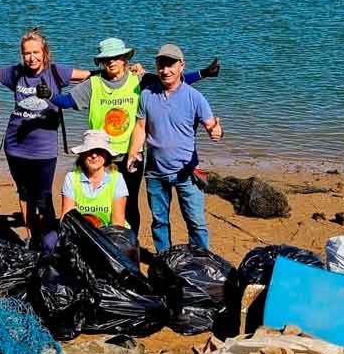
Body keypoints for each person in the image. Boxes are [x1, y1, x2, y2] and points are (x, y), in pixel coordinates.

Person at [46, 38, 215, 234]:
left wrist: (204, 73)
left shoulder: (139, 80)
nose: (111, 62)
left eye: (116, 57)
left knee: (130, 203)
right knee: (102, 202)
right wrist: (49, 96)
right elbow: (67, 101)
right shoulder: (93, 84)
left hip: (130, 155)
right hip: (101, 155)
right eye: (106, 59)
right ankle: (102, 239)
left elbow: (173, 81)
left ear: (125, 58)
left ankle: (129, 242)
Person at [0, 28, 94, 245]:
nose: (31, 58)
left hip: (44, 149)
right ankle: (32, 239)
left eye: (36, 52)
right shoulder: (15, 73)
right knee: (24, 194)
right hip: (15, 146)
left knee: (43, 197)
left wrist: (124, 72)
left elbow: (91, 76)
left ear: (45, 52)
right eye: (27, 53)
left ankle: (49, 241)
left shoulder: (57, 73)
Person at [126, 43, 223, 252]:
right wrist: (133, 153)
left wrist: (217, 131)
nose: (165, 70)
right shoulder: (147, 95)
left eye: (171, 65)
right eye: (161, 64)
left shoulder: (195, 97)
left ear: (181, 66)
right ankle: (165, 261)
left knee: (196, 223)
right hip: (154, 172)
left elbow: (211, 127)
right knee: (160, 223)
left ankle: (201, 262)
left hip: (186, 173)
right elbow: (141, 127)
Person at [60, 130, 128, 228]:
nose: (94, 155)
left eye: (99, 151)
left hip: (109, 233)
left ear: (107, 155)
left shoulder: (117, 178)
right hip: (80, 232)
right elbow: (67, 218)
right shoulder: (71, 178)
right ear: (82, 154)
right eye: (89, 150)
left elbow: (117, 222)